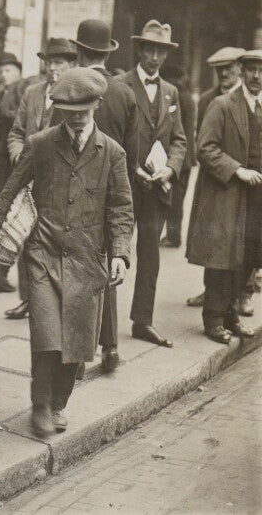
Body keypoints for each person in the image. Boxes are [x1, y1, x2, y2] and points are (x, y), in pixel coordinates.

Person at [0, 67, 133, 437]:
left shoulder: (112, 152)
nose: (76, 118)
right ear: (58, 109)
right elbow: (11, 191)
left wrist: (120, 254)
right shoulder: (42, 143)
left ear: (97, 104)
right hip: (43, 254)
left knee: (76, 343)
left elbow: (121, 209)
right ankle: (41, 404)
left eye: (82, 110)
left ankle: (59, 402)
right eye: (67, 111)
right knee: (47, 335)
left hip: (87, 258)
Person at [70, 19, 139, 372]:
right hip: (113, 193)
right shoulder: (126, 93)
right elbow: (133, 152)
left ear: (79, 51)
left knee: (79, 272)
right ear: (107, 53)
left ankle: (80, 357)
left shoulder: (73, 87)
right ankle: (110, 348)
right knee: (110, 266)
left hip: (77, 192)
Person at [116, 20, 186, 348]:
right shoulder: (121, 85)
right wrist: (133, 168)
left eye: (161, 51)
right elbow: (111, 138)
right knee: (113, 252)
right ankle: (101, 328)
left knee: (150, 255)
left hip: (157, 189)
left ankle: (142, 321)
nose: (155, 56)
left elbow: (180, 140)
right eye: (150, 49)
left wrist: (170, 169)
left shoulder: (171, 92)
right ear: (140, 49)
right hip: (124, 188)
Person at [185, 50, 262, 344]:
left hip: (256, 198)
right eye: (251, 70)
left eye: (261, 71)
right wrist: (237, 170)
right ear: (241, 72)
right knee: (221, 257)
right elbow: (204, 148)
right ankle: (213, 319)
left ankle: (231, 316)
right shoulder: (223, 104)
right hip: (227, 193)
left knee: (248, 257)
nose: (257, 76)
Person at [3, 37, 77, 321]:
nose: (52, 68)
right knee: (25, 235)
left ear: (71, 65)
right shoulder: (32, 93)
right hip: (29, 180)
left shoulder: (74, 96)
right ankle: (28, 299)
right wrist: (19, 158)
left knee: (57, 239)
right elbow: (16, 132)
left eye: (59, 62)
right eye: (49, 62)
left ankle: (54, 299)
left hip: (60, 182)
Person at [185, 47, 246, 309]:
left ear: (240, 69)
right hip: (216, 181)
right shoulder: (209, 99)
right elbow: (204, 144)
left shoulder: (250, 98)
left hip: (247, 181)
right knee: (214, 241)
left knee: (247, 239)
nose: (224, 73)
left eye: (229, 67)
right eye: (219, 69)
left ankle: (244, 294)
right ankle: (210, 293)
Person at [0, 51, 23, 293]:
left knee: (15, 215)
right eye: (1, 70)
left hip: (15, 158)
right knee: (4, 211)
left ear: (18, 72)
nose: (4, 74)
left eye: (8, 69)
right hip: (0, 158)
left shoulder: (22, 92)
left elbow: (16, 120)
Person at [159, 65, 197, 249]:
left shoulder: (177, 96)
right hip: (187, 158)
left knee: (174, 200)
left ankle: (173, 237)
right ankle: (174, 236)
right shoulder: (187, 95)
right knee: (177, 200)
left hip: (180, 158)